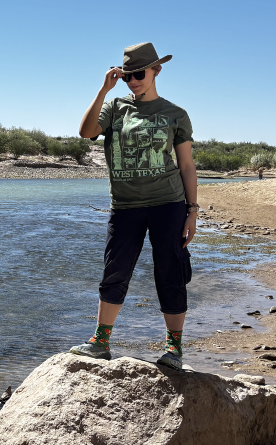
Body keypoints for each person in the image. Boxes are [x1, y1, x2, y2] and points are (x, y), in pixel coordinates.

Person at [70, 42, 199, 370]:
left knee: (170, 272)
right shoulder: (115, 107)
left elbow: (185, 166)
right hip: (125, 206)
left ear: (157, 70)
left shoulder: (175, 114)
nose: (133, 81)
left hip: (168, 204)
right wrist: (104, 89)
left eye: (138, 74)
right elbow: (86, 132)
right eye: (127, 76)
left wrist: (192, 211)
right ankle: (100, 342)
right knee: (115, 271)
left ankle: (174, 347)